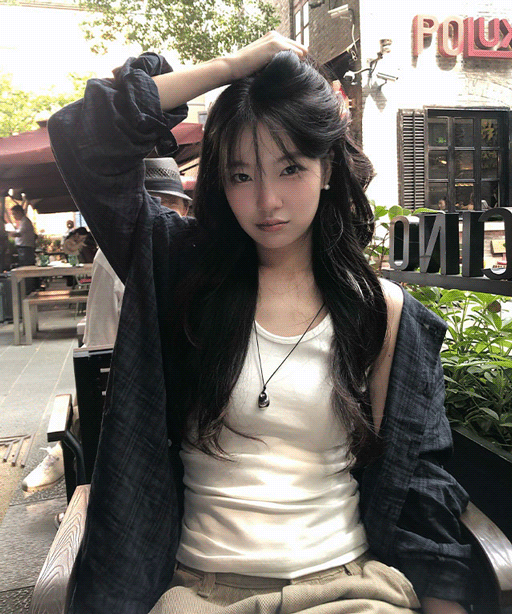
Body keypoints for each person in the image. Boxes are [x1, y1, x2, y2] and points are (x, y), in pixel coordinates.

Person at [48, 33, 473, 614]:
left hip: (347, 589)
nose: (268, 200)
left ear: (327, 168)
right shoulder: (179, 273)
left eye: (290, 168)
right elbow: (83, 135)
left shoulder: (380, 311)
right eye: (242, 175)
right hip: (202, 594)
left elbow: (423, 481)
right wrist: (233, 66)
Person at [21, 158, 192, 492]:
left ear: (184, 211)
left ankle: (67, 451)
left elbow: (99, 342)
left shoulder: (119, 255)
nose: (163, 215)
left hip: (159, 395)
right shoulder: (193, 248)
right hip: (170, 394)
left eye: (169, 206)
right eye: (155, 205)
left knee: (95, 374)